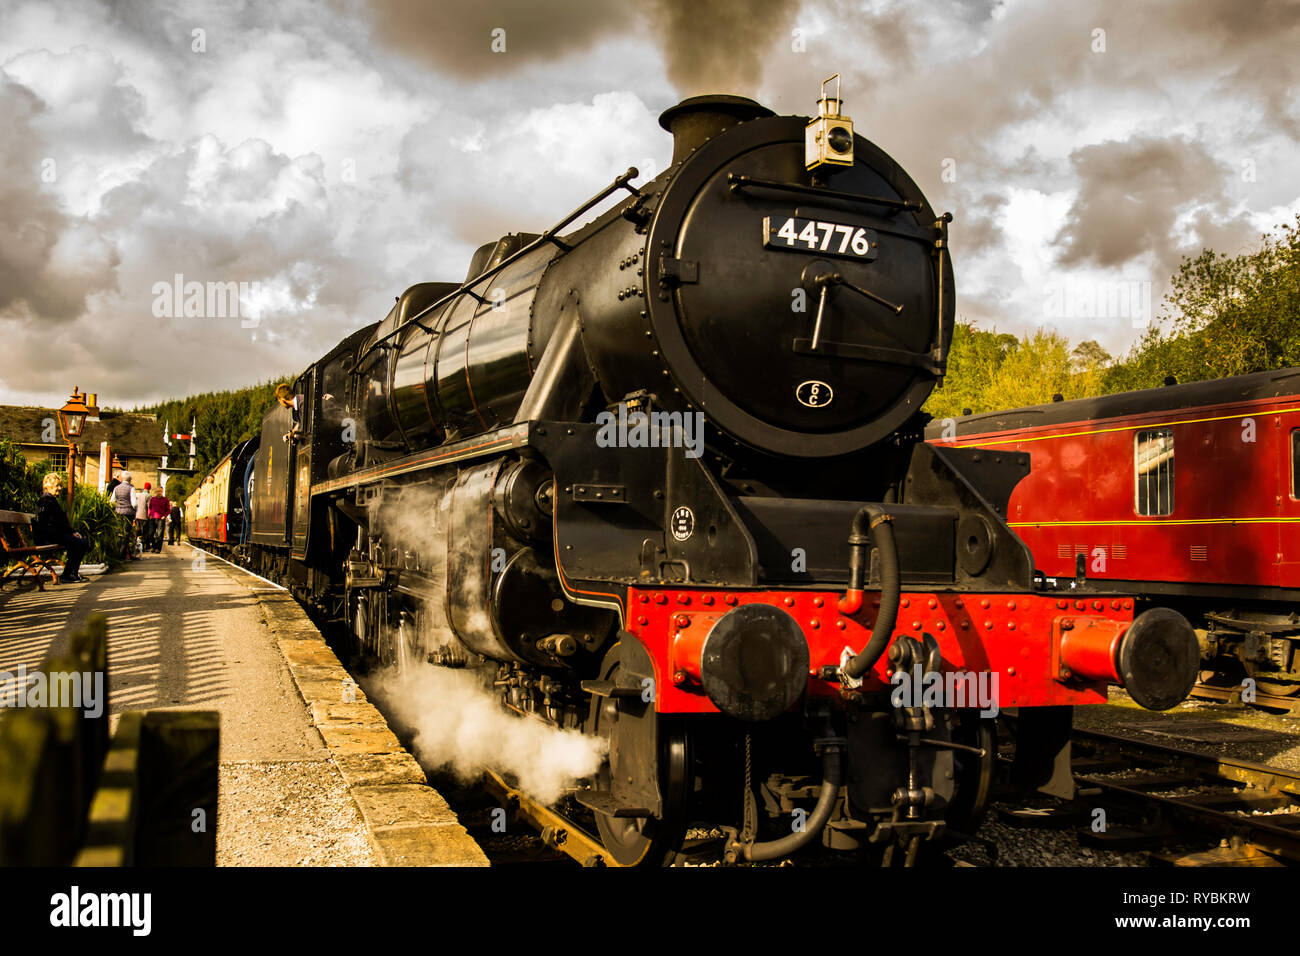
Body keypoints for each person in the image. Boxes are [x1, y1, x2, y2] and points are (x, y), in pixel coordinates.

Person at [33, 473, 89, 583]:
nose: (59, 488)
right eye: (57, 485)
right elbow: (49, 523)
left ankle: (71, 573)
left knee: (81, 542)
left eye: (60, 485)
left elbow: (60, 522)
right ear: (47, 486)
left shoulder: (50, 500)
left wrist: (72, 532)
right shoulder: (46, 501)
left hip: (53, 535)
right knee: (79, 543)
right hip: (47, 537)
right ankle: (68, 575)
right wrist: (70, 533)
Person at [111, 471, 139, 561]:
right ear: (130, 479)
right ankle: (122, 555)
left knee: (119, 533)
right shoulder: (131, 488)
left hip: (118, 513)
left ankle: (117, 553)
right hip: (128, 513)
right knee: (126, 534)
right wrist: (135, 509)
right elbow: (134, 503)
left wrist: (118, 506)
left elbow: (112, 501)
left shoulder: (116, 488)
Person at [147, 486, 170, 552]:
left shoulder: (165, 500)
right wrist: (149, 515)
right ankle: (154, 546)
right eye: (158, 491)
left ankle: (158, 549)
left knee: (160, 535)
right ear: (155, 492)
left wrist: (164, 516)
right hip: (153, 518)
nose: (159, 493)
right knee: (151, 534)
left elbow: (168, 510)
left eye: (160, 491)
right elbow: (149, 507)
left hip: (161, 519)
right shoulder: (153, 499)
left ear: (162, 492)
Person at [135, 481, 151, 554]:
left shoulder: (139, 495)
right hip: (144, 516)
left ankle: (137, 546)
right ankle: (144, 547)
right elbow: (149, 507)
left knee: (138, 531)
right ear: (149, 488)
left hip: (137, 515)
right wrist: (150, 515)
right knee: (145, 532)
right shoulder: (148, 496)